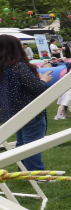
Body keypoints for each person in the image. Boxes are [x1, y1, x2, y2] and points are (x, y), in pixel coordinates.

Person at [0, 34, 52, 171]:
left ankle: (23, 171)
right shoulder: (19, 67)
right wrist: (44, 79)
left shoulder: (3, 68)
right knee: (32, 144)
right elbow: (37, 88)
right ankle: (35, 173)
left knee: (22, 143)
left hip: (10, 112)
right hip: (29, 111)